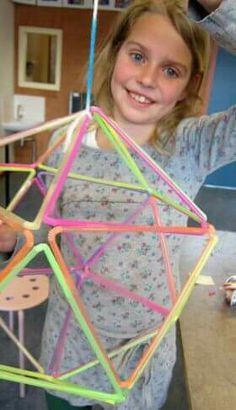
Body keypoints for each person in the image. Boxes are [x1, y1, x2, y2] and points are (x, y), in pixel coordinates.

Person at [0, 0, 236, 409]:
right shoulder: (68, 145)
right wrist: (14, 240)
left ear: (189, 83)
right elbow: (50, 241)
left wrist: (218, 9)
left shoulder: (190, 146)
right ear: (114, 53)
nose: (147, 78)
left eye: (170, 70)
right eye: (139, 55)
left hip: (137, 363)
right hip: (68, 352)